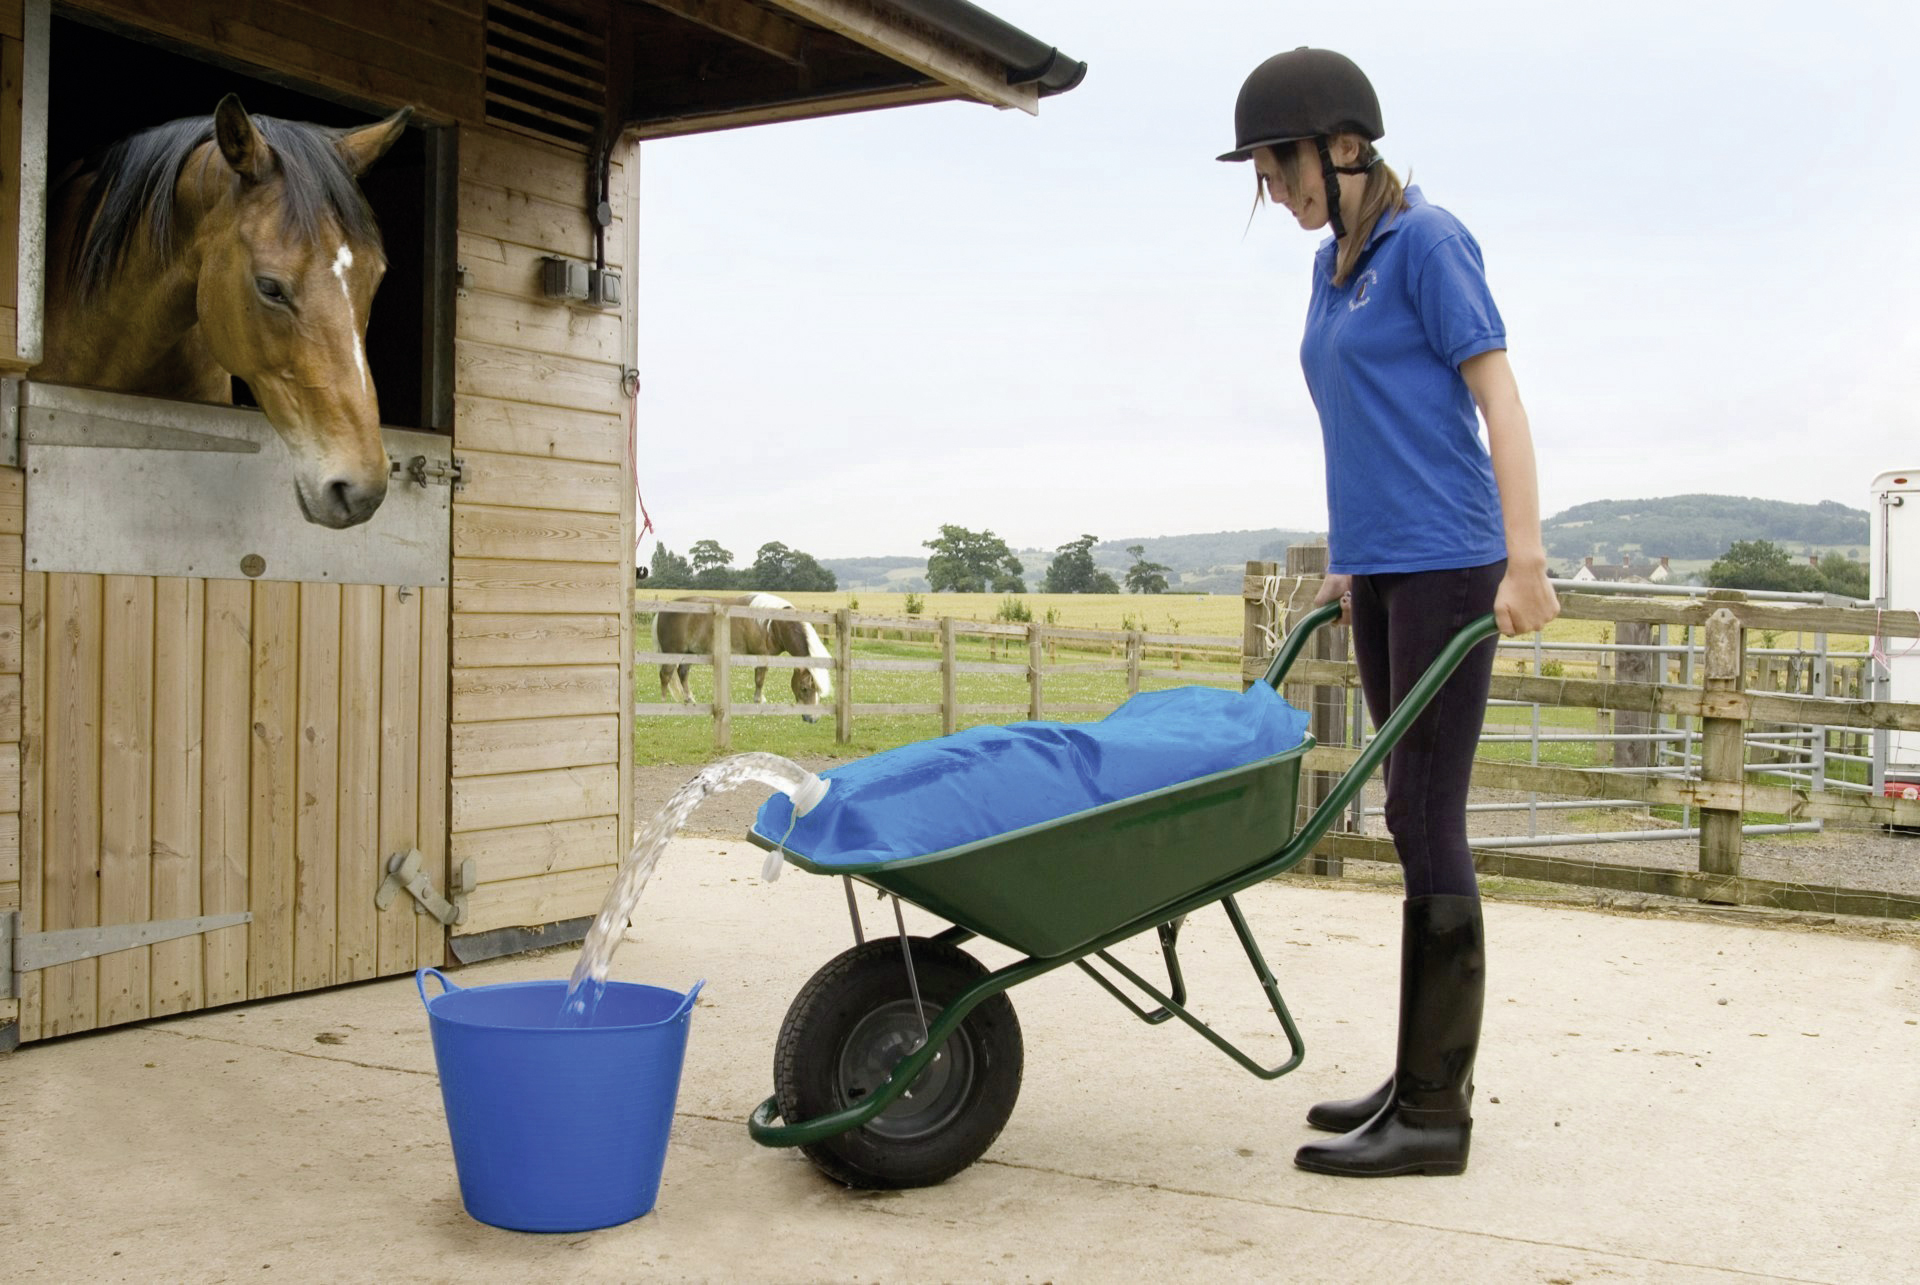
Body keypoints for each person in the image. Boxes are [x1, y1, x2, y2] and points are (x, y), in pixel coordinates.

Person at [1219, 47, 1560, 1177]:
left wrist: (1526, 559)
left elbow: (1496, 399)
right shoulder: (1333, 267)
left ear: (1342, 145)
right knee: (1404, 816)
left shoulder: (1431, 243)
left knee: (1425, 812)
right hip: (1386, 570)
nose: (1271, 188)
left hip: (1458, 561)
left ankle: (1436, 1112)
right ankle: (1417, 1076)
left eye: (1277, 164)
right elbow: (1363, 420)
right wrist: (1352, 558)